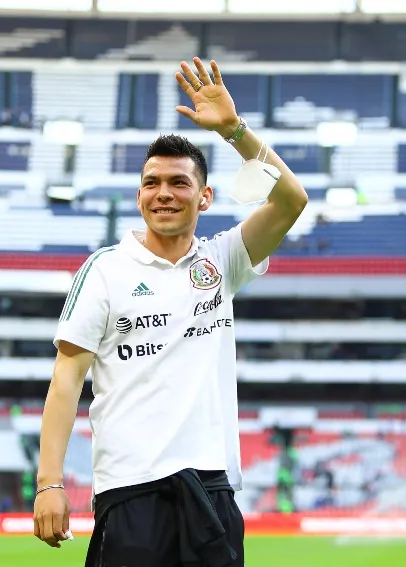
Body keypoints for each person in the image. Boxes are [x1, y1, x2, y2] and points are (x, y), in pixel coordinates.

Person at [33, 57, 308, 566]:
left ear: (203, 197)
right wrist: (49, 481)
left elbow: (292, 200)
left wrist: (234, 130)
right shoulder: (104, 269)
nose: (164, 192)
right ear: (139, 196)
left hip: (212, 491)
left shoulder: (222, 260)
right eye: (152, 182)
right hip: (131, 491)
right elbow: (66, 379)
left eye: (179, 182)